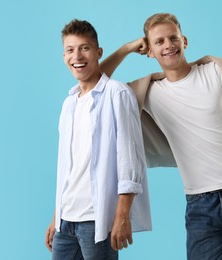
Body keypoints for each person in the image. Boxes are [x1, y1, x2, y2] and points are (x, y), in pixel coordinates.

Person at [100, 13, 222, 260]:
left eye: (173, 38)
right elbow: (97, 86)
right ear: (149, 51)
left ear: (185, 41)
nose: (168, 45)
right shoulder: (147, 91)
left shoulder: (219, 71)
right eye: (159, 42)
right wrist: (127, 49)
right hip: (201, 202)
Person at [44, 19, 151, 260]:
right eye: (70, 50)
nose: (77, 56)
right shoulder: (69, 103)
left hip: (97, 220)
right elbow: (67, 168)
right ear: (63, 57)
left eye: (85, 48)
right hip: (66, 221)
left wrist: (122, 215)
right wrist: (56, 217)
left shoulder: (117, 94)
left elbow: (129, 158)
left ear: (98, 52)